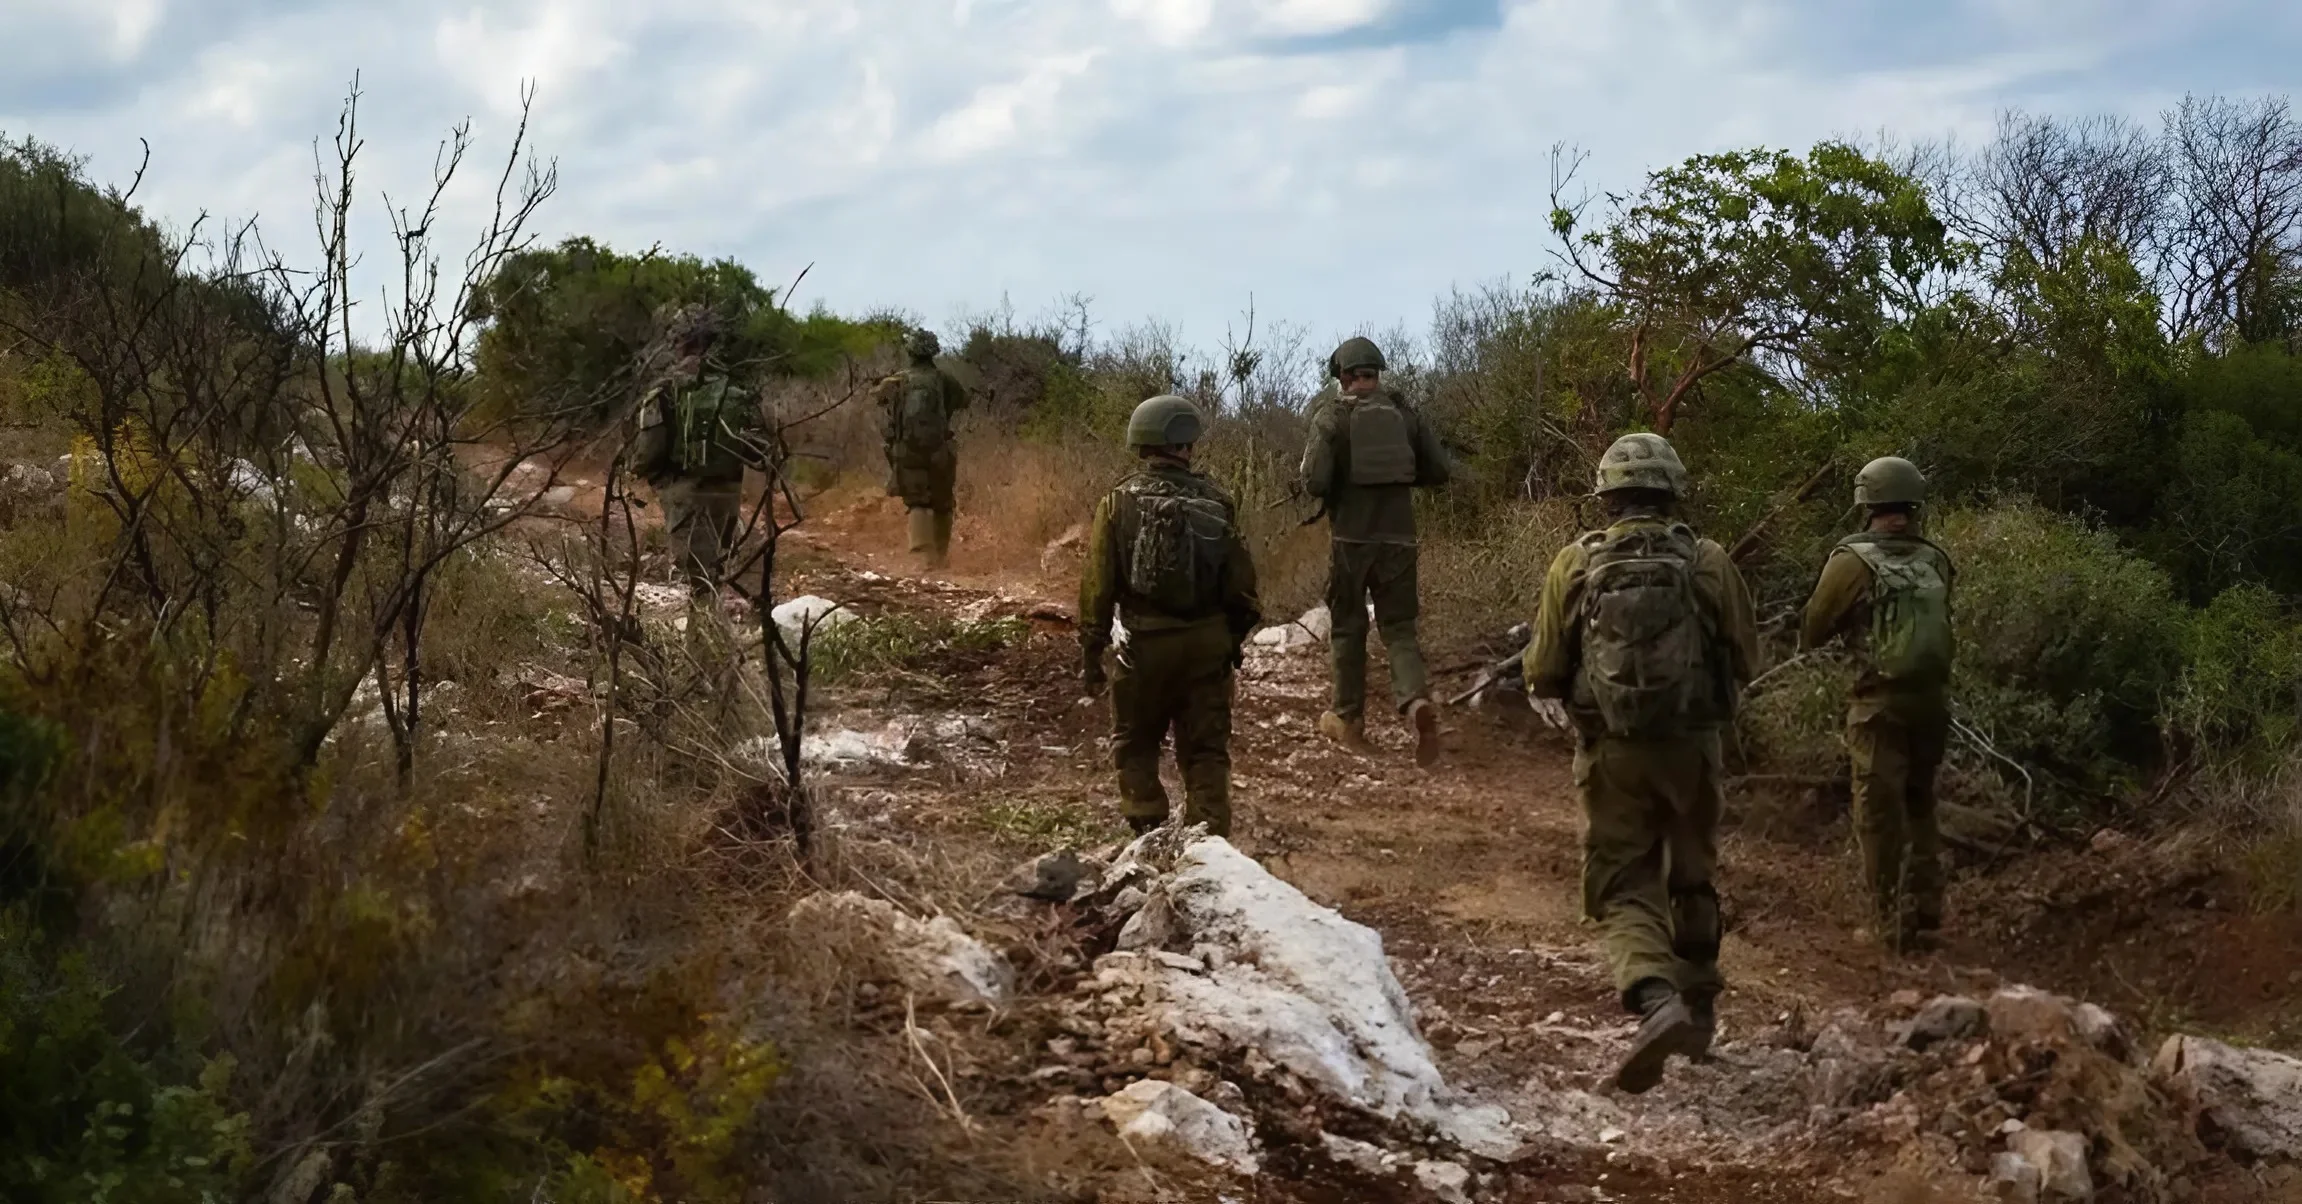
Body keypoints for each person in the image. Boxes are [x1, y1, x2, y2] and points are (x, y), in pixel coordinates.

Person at [1523, 432, 1759, 1095]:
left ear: (1607, 497)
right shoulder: (1708, 561)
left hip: (1614, 754)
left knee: (1625, 880)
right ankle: (1701, 1010)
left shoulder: (1575, 562)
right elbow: (1747, 657)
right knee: (1693, 875)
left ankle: (1657, 1001)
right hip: (1694, 749)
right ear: (1672, 491)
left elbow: (1544, 669)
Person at [1078, 395, 1262, 838]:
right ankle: (1208, 841)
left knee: (1135, 743)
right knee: (1206, 752)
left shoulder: (1117, 502)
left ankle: (1147, 831)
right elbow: (1242, 586)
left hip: (1144, 647)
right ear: (1187, 442)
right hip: (1207, 646)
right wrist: (1230, 642)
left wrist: (1091, 652)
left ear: (1142, 442)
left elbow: (1097, 586)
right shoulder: (1219, 501)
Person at [1799, 456, 1955, 954]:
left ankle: (1889, 922)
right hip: (1931, 701)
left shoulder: (1852, 560)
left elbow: (1814, 628)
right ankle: (1926, 910)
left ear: (1866, 502)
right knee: (1920, 800)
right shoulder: (1935, 558)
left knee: (1878, 811)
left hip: (1877, 703)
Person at [1299, 336, 1452, 766]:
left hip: (1350, 541)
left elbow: (1315, 482)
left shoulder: (1332, 416)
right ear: (1376, 374)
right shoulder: (1405, 415)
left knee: (1348, 627)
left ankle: (1347, 719)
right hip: (1400, 540)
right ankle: (1415, 701)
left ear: (1343, 376)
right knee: (1399, 629)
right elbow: (1439, 470)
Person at [633, 305, 768, 597]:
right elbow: (758, 449)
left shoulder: (665, 391)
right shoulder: (733, 387)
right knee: (720, 572)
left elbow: (648, 453)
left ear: (678, 341)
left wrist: (645, 473)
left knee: (699, 586)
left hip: (686, 497)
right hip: (728, 496)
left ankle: (707, 626)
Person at [877, 330, 970, 569]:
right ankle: (939, 557)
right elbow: (963, 401)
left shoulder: (897, 380)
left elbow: (879, 399)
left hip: (907, 450)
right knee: (943, 502)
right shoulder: (944, 379)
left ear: (911, 352)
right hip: (939, 450)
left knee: (918, 501)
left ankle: (922, 555)